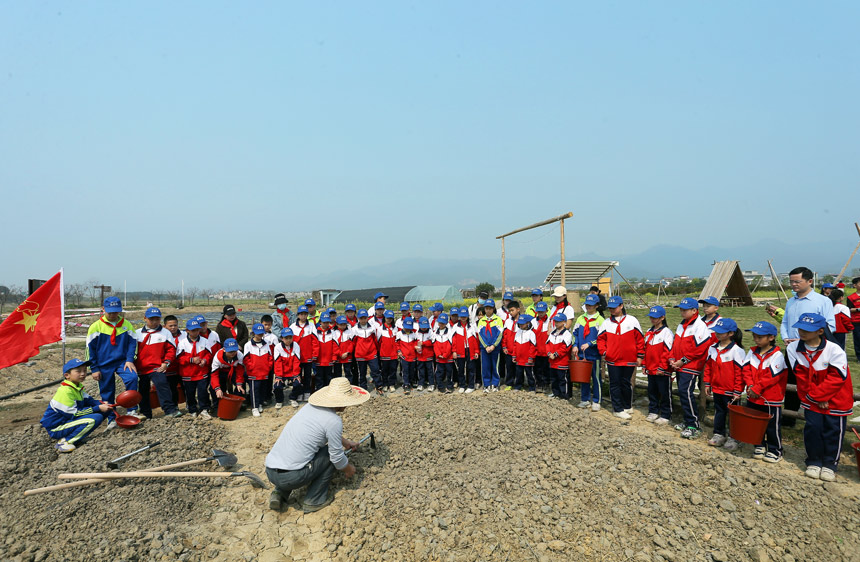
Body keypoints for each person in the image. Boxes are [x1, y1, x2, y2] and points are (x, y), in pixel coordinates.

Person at [265, 377, 369, 513]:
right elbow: (337, 458)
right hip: (291, 478)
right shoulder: (333, 420)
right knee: (329, 454)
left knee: (296, 453)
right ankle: (314, 500)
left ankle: (279, 494)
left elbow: (324, 431)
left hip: (271, 471)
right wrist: (348, 468)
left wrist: (346, 442)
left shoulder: (309, 408)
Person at [787, 313, 854, 482]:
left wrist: (821, 396)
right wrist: (817, 398)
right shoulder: (793, 349)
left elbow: (837, 377)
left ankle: (830, 464)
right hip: (812, 398)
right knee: (813, 428)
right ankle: (814, 461)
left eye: (808, 330)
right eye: (800, 328)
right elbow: (801, 376)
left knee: (833, 431)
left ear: (820, 331)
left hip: (836, 399)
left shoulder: (834, 349)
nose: (802, 332)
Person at [86, 296, 139, 428]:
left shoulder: (126, 325)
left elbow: (133, 344)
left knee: (132, 377)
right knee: (107, 390)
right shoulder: (96, 327)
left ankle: (132, 409)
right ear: (103, 309)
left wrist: (130, 360)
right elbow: (89, 349)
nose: (113, 315)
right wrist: (94, 368)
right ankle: (111, 417)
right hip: (103, 364)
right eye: (110, 312)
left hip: (122, 362)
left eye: (116, 312)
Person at [41, 359, 111, 452]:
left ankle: (76, 435)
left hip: (68, 422)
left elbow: (90, 401)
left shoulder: (77, 387)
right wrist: (98, 407)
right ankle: (65, 441)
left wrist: (102, 404)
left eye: (85, 370)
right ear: (67, 375)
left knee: (105, 410)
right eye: (78, 371)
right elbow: (74, 413)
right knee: (94, 418)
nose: (83, 374)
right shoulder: (65, 391)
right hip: (57, 427)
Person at [742, 321, 788, 462]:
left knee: (772, 426)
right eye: (755, 336)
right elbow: (746, 369)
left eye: (760, 337)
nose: (756, 340)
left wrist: (757, 388)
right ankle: (759, 444)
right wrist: (750, 385)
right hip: (753, 396)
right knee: (755, 423)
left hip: (770, 398)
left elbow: (772, 376)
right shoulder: (752, 351)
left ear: (771, 338)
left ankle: (775, 449)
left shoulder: (777, 355)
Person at [669, 298, 711, 439]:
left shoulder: (700, 325)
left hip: (691, 365)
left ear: (694, 310)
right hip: (680, 364)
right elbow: (675, 343)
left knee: (685, 392)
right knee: (683, 393)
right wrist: (673, 359)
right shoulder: (682, 324)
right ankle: (687, 420)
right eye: (680, 309)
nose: (682, 312)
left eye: (685, 309)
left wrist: (683, 360)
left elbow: (699, 349)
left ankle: (694, 425)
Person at [596, 296, 644, 420]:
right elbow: (600, 339)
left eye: (614, 307)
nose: (612, 310)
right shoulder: (606, 323)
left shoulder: (632, 320)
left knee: (626, 383)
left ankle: (627, 405)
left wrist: (640, 356)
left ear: (621, 306)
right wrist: (605, 352)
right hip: (613, 359)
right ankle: (617, 409)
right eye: (610, 308)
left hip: (629, 359)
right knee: (615, 383)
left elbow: (639, 339)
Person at [703, 318, 745, 448]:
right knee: (719, 411)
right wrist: (707, 383)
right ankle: (719, 433)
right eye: (717, 331)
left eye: (722, 332)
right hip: (717, 388)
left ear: (731, 333)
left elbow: (740, 373)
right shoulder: (713, 348)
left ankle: (735, 437)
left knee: (733, 414)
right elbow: (708, 367)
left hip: (731, 390)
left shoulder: (737, 351)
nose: (718, 334)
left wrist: (738, 391)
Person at [134, 307, 179, 419]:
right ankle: (145, 413)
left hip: (157, 367)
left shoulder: (165, 333)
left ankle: (170, 410)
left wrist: (166, 363)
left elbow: (171, 350)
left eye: (157, 319)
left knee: (162, 385)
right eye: (151, 319)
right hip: (141, 368)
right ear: (145, 318)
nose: (154, 322)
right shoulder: (137, 333)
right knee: (143, 390)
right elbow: (131, 351)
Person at [779, 267, 836, 342]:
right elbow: (785, 322)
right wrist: (785, 338)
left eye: (797, 281)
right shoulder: (790, 301)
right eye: (791, 281)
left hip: (812, 346)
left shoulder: (823, 301)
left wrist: (807, 339)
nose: (793, 284)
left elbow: (830, 326)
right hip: (791, 346)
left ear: (810, 281)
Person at [572, 294, 605, 410]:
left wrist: (590, 343)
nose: (589, 307)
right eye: (587, 305)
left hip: (594, 355)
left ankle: (597, 400)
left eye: (591, 305)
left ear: (596, 306)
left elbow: (602, 338)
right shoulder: (581, 318)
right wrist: (575, 345)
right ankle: (584, 399)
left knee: (596, 378)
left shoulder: (600, 320)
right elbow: (575, 333)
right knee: (583, 378)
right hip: (582, 354)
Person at [176, 318, 213, 419]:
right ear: (187, 330)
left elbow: (209, 355)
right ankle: (192, 409)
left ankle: (204, 409)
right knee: (190, 393)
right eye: (193, 330)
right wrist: (191, 360)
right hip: (188, 373)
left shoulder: (205, 341)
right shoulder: (182, 343)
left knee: (203, 391)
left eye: (197, 330)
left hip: (202, 372)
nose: (196, 332)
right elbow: (179, 358)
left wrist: (204, 361)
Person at [643, 306, 673, 425]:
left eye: (655, 318)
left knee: (665, 392)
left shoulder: (667, 332)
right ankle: (653, 410)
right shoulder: (649, 332)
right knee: (652, 390)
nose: (652, 319)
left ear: (662, 318)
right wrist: (645, 365)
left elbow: (667, 351)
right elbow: (645, 349)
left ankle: (666, 414)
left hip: (662, 369)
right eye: (651, 317)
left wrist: (662, 367)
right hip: (650, 368)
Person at [244, 324, 274, 417]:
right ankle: (254, 407)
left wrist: (268, 367)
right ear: (253, 333)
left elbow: (270, 357)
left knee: (262, 389)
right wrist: (251, 367)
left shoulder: (266, 344)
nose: (260, 335)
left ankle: (260, 403)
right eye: (258, 333)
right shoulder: (248, 345)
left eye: (262, 334)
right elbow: (246, 359)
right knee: (254, 390)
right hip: (253, 373)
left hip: (264, 372)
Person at [291, 305, 319, 399]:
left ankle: (307, 392)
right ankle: (299, 393)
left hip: (308, 356)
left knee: (307, 376)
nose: (303, 316)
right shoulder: (293, 327)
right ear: (298, 315)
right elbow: (290, 342)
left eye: (305, 314)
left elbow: (315, 341)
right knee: (297, 375)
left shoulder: (311, 326)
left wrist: (314, 354)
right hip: (297, 357)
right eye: (301, 314)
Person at [210, 338, 246, 410]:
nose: (232, 353)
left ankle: (237, 403)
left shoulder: (240, 355)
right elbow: (214, 374)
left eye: (234, 351)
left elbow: (240, 370)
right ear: (224, 349)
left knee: (241, 385)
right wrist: (217, 388)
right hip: (221, 372)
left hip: (233, 371)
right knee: (214, 387)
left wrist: (239, 383)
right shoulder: (217, 357)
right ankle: (217, 405)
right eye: (230, 351)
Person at [477, 299, 504, 392]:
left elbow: (500, 334)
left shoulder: (498, 320)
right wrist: (486, 346)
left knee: (495, 366)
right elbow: (480, 335)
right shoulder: (482, 321)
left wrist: (493, 346)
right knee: (485, 366)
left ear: (493, 309)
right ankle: (486, 384)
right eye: (486, 308)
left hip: (495, 348)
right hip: (485, 348)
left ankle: (495, 384)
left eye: (490, 308)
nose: (488, 310)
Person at [352, 309, 382, 391]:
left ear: (367, 318)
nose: (363, 320)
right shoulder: (354, 329)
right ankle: (363, 388)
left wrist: (376, 350)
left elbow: (375, 340)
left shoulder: (372, 328)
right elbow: (353, 343)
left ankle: (378, 386)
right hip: (360, 355)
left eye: (364, 318)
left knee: (375, 370)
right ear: (358, 318)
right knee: (362, 373)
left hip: (372, 353)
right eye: (361, 318)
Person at [452, 306, 479, 394]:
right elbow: (453, 340)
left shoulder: (472, 326)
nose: (463, 318)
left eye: (465, 316)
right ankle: (462, 385)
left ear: (468, 316)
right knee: (460, 369)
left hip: (470, 350)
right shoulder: (456, 327)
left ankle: (471, 385)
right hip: (460, 351)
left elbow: (475, 340)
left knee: (471, 368)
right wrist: (454, 351)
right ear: (459, 316)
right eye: (461, 316)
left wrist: (476, 351)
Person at [273, 328, 302, 408]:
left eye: (290, 338)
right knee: (277, 385)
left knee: (298, 383)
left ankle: (293, 398)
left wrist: (296, 374)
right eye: (286, 338)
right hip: (282, 372)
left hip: (292, 372)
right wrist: (278, 376)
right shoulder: (277, 347)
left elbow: (296, 361)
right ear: (282, 338)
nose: (288, 340)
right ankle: (279, 400)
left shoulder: (296, 345)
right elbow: (278, 362)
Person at [546, 313, 572, 399]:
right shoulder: (552, 333)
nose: (556, 323)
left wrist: (556, 354)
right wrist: (549, 353)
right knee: (554, 378)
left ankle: (565, 395)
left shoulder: (567, 334)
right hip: (552, 361)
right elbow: (547, 344)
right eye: (555, 321)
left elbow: (566, 347)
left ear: (564, 322)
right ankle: (555, 393)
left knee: (563, 379)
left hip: (562, 362)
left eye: (558, 321)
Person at [162, 315, 185, 407]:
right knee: (172, 388)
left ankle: (190, 405)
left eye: (175, 325)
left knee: (185, 387)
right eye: (170, 326)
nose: (173, 328)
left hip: (182, 367)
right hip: (169, 368)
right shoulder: (162, 337)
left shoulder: (184, 335)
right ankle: (174, 407)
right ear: (164, 326)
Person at [512, 314, 537, 392]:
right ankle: (518, 386)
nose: (521, 325)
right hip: (519, 358)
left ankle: (532, 387)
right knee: (518, 373)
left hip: (527, 359)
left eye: (523, 323)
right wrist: (514, 355)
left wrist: (531, 357)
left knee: (529, 374)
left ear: (528, 323)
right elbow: (515, 345)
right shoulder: (517, 332)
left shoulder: (531, 333)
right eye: (520, 323)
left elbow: (533, 347)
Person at [500, 300, 522, 391]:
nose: (511, 312)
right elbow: (504, 335)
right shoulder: (508, 322)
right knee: (509, 367)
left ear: (518, 309)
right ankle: (509, 383)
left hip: (518, 350)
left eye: (512, 310)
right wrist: (504, 346)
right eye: (509, 311)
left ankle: (519, 384)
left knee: (519, 368)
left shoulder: (522, 321)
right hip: (508, 350)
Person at [314, 313, 338, 390]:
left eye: (327, 322)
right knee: (319, 377)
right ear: (320, 322)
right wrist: (314, 356)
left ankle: (328, 393)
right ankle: (319, 392)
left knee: (329, 377)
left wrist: (334, 356)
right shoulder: (315, 332)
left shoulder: (332, 332)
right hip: (319, 360)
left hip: (329, 359)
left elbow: (335, 346)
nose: (326, 324)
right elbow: (313, 345)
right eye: (324, 322)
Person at [377, 311, 399, 394]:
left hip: (393, 353)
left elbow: (397, 341)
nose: (389, 320)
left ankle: (392, 384)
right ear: (384, 318)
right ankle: (385, 384)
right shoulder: (380, 329)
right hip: (384, 353)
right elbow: (378, 342)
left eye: (390, 318)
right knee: (384, 370)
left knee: (393, 369)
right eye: (387, 318)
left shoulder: (395, 328)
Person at [532, 302, 551, 392]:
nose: (540, 313)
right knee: (537, 368)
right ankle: (539, 384)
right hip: (536, 349)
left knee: (546, 368)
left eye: (542, 311)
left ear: (546, 311)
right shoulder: (533, 322)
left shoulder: (550, 322)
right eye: (539, 311)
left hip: (546, 349)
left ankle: (546, 384)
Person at [433, 313, 454, 393]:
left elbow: (450, 344)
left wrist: (445, 354)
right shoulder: (435, 333)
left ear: (446, 323)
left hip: (448, 358)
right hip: (439, 358)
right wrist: (438, 354)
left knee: (449, 373)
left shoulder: (450, 332)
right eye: (440, 322)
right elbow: (434, 344)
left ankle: (450, 386)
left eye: (443, 323)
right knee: (439, 373)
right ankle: (440, 386)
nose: (441, 324)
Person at [397, 317, 419, 395]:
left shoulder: (414, 334)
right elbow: (397, 344)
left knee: (412, 370)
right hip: (404, 356)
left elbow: (417, 342)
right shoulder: (399, 334)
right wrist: (399, 351)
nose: (407, 329)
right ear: (403, 325)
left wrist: (417, 347)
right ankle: (406, 384)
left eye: (409, 328)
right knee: (405, 370)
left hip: (413, 355)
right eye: (406, 328)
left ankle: (411, 381)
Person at [416, 317, 435, 390]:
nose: (424, 328)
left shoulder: (430, 332)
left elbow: (432, 342)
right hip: (420, 355)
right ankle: (421, 383)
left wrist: (424, 343)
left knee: (430, 370)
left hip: (428, 355)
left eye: (425, 327)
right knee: (421, 370)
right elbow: (415, 341)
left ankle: (431, 384)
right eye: (422, 327)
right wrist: (416, 346)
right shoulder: (417, 333)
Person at [332, 315, 353, 379]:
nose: (343, 326)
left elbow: (351, 344)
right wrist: (339, 354)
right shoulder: (334, 332)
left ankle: (349, 385)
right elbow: (334, 345)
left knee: (348, 372)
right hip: (338, 356)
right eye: (341, 324)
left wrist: (348, 352)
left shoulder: (349, 332)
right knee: (337, 373)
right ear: (337, 324)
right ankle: (338, 386)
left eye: (344, 324)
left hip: (347, 356)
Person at [848, 277, 860, 363]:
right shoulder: (851, 297)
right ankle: (859, 357)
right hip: (857, 321)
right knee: (858, 339)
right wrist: (858, 309)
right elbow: (849, 309)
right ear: (855, 285)